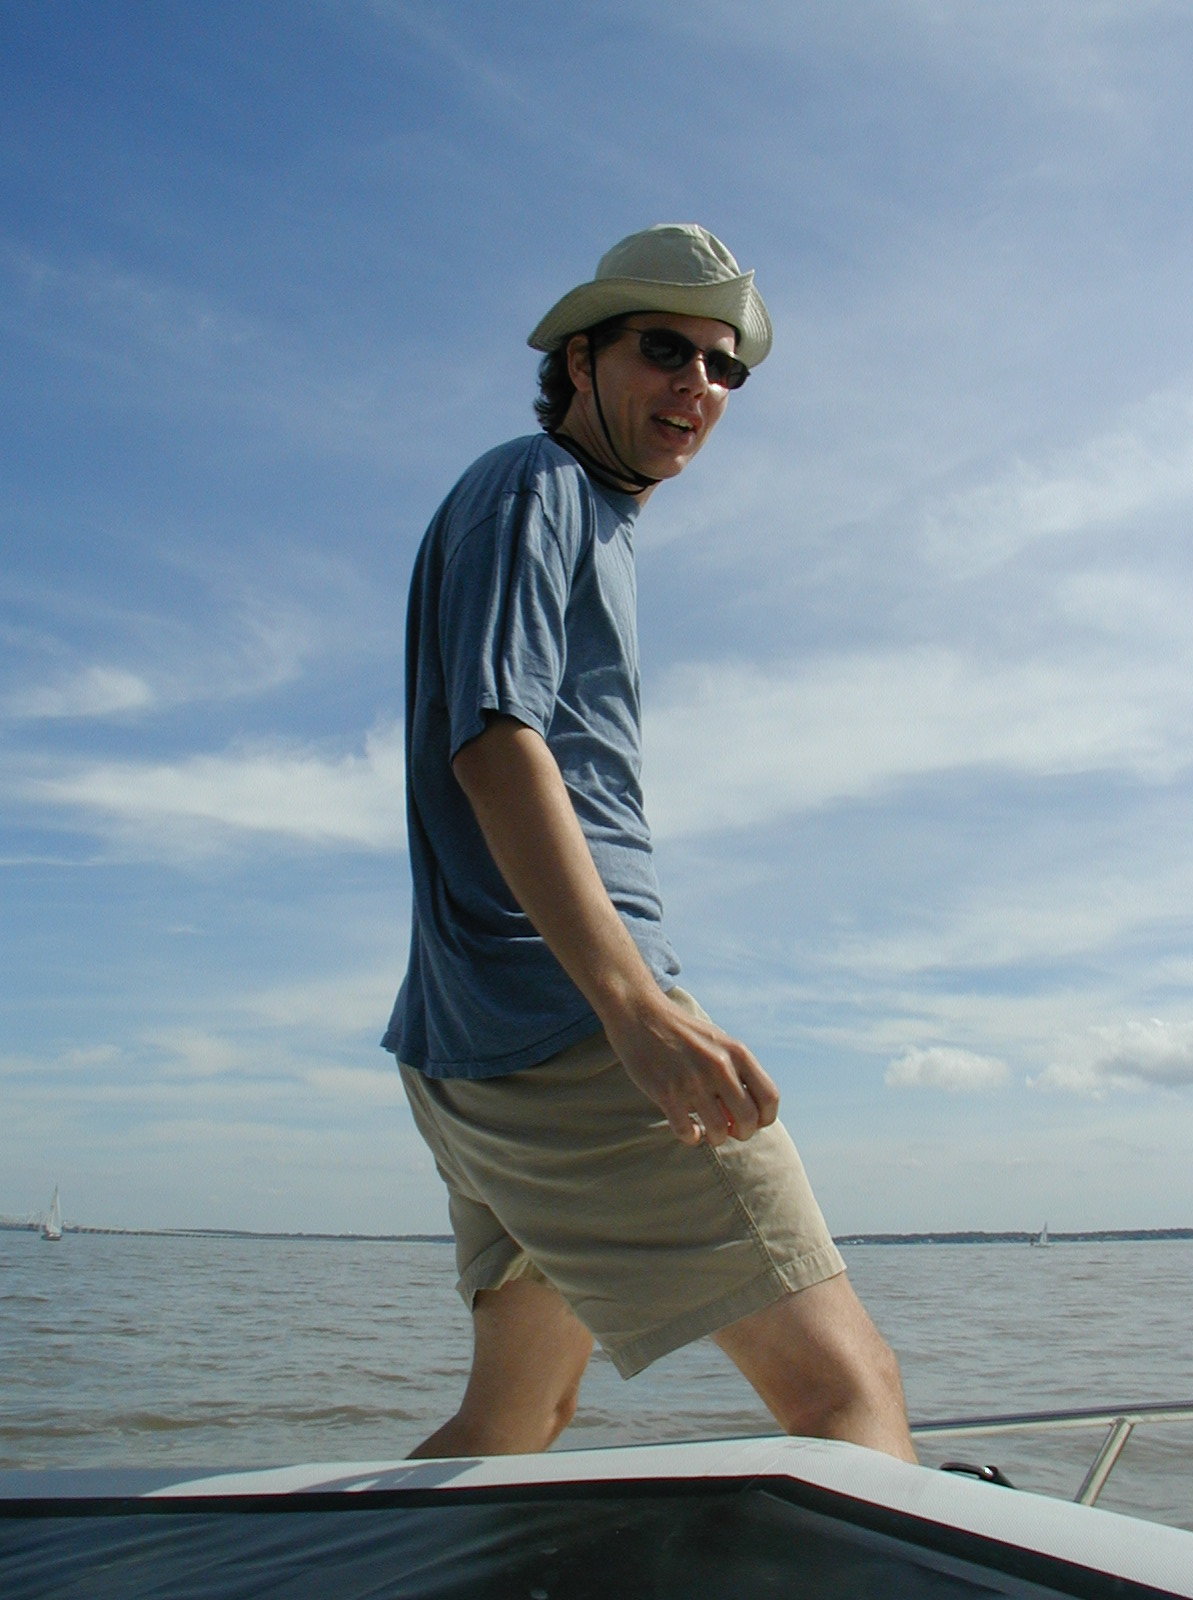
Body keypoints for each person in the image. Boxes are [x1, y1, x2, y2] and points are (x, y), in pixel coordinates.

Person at [382, 223, 916, 1463]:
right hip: (570, 1026)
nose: (698, 384)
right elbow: (494, 742)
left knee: (513, 1418)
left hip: (466, 1049)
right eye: (663, 350)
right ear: (580, 360)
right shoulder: (538, 484)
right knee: (847, 1393)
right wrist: (633, 1010)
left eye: (724, 367)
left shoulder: (584, 515)